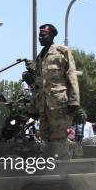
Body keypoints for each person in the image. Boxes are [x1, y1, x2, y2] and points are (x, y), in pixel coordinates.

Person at [26, 24, 80, 157]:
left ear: (51, 36)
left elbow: (72, 75)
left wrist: (74, 100)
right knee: (45, 139)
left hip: (58, 104)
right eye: (39, 35)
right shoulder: (40, 57)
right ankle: (49, 169)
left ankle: (63, 170)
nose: (40, 38)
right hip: (43, 106)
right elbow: (38, 85)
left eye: (43, 35)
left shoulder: (62, 51)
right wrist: (33, 107)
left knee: (59, 139)